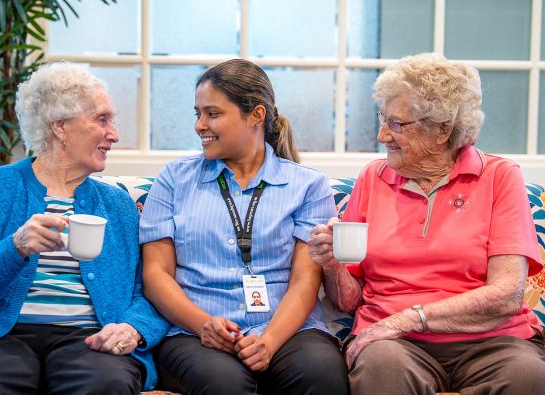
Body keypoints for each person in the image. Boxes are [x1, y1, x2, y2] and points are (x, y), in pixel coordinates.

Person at [308, 53, 545, 394]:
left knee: (527, 375)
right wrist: (332, 266)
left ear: (443, 130)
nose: (382, 135)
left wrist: (408, 317)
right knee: (382, 367)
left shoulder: (499, 177)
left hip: (493, 342)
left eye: (397, 123)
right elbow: (349, 301)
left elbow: (506, 295)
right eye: (382, 118)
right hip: (395, 343)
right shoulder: (373, 179)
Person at [0, 62, 169, 394]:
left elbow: (150, 290)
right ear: (61, 126)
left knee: (107, 383)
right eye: (102, 119)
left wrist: (134, 328)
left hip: (90, 338)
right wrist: (14, 248)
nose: (115, 134)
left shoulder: (118, 205)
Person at [140, 59, 349, 395]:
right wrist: (202, 324)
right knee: (225, 384)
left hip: (287, 329)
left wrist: (268, 341)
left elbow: (304, 282)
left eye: (213, 113)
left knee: (321, 374)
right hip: (195, 332)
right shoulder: (174, 180)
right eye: (198, 114)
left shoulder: (307, 186)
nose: (200, 125)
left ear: (256, 116)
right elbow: (156, 275)